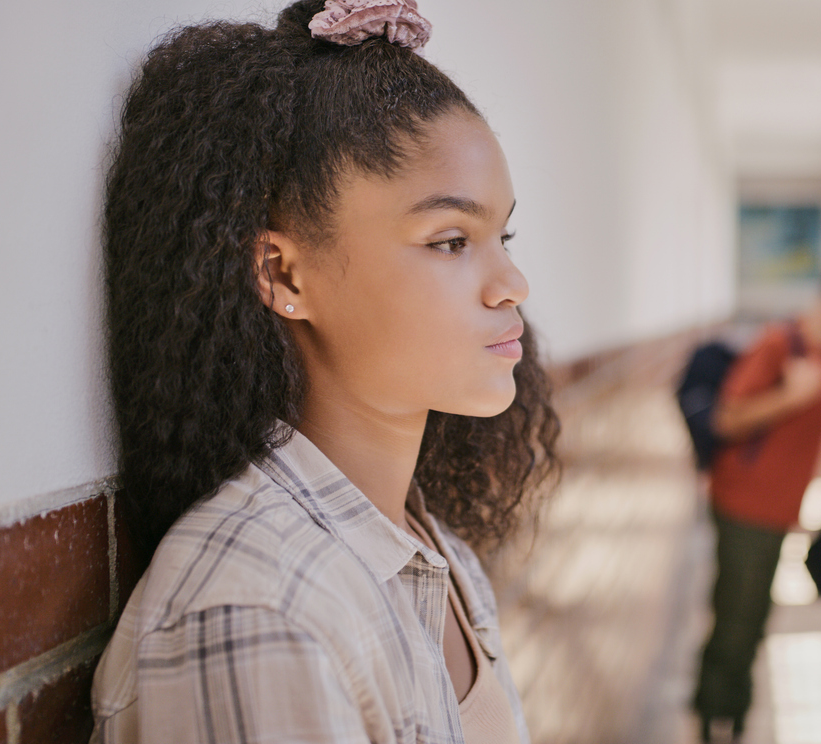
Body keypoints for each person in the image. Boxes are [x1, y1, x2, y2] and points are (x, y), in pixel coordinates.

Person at [91, 2, 560, 742]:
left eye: (501, 235)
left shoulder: (437, 557)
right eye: (449, 241)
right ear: (283, 274)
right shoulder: (259, 608)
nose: (512, 284)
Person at [693, 265, 821, 743]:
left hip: (781, 508)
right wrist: (791, 395)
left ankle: (728, 711)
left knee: (753, 613)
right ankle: (715, 716)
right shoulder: (779, 345)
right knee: (737, 616)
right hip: (744, 502)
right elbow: (726, 418)